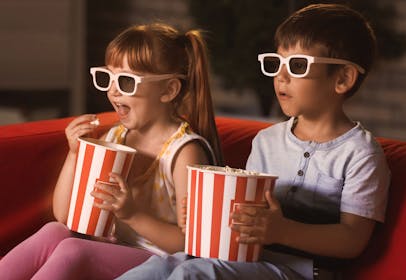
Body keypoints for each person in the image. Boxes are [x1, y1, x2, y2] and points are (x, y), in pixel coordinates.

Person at [117, 4, 390, 280]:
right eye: (276, 63)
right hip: (247, 260)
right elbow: (244, 216)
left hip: (306, 272)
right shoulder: (266, 141)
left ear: (343, 79)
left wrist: (282, 230)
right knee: (158, 268)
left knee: (195, 273)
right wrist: (205, 216)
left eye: (297, 65)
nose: (280, 76)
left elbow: (352, 240)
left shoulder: (361, 153)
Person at [0, 23, 223, 279]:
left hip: (162, 261)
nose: (113, 90)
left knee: (74, 249)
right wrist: (75, 155)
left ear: (169, 90)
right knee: (54, 231)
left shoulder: (184, 152)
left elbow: (192, 243)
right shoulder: (115, 137)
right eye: (108, 77)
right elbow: (64, 215)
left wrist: (133, 215)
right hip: (112, 248)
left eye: (126, 81)